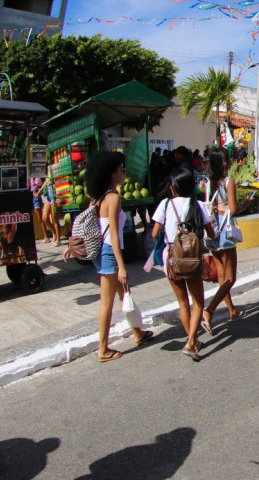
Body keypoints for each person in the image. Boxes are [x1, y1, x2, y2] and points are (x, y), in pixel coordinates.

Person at [81, 151, 155, 362]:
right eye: (121, 170)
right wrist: (121, 266)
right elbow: (113, 233)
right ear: (111, 174)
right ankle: (103, 349)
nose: (124, 173)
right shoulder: (113, 197)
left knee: (125, 294)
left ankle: (138, 333)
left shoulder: (99, 196)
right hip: (108, 253)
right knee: (107, 302)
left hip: (103, 252)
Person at [151, 166, 215, 361]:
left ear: (174, 187)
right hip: (193, 258)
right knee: (198, 303)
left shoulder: (165, 205)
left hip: (172, 259)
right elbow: (211, 233)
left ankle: (193, 340)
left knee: (183, 303)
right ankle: (190, 343)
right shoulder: (198, 205)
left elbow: (155, 234)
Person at [202, 149, 243, 332]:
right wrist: (246, 204)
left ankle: (232, 310)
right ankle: (209, 310)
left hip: (212, 229)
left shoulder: (208, 182)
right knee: (230, 278)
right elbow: (233, 209)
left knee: (221, 276)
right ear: (224, 162)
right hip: (226, 230)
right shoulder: (229, 181)